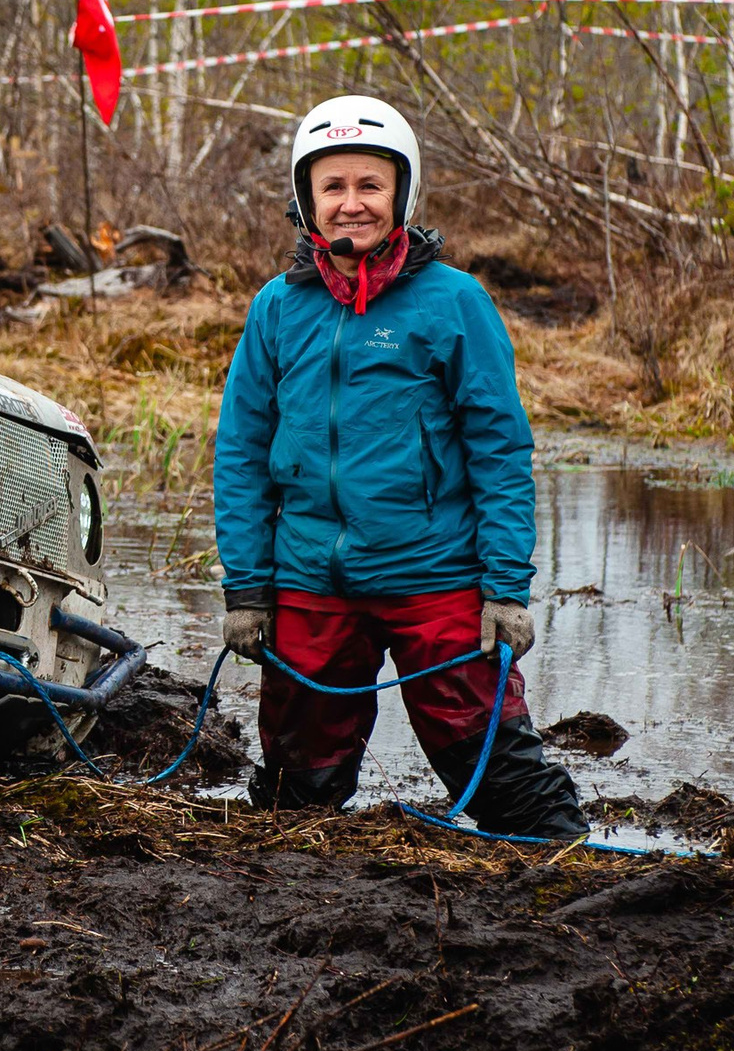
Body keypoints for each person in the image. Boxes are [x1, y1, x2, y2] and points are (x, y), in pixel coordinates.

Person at [211, 94, 588, 837]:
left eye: (370, 186)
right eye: (334, 187)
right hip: (311, 581)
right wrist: (248, 589)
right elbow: (241, 454)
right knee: (295, 795)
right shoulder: (277, 310)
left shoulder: (455, 303)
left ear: (403, 194)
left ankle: (567, 863)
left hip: (436, 578)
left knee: (499, 775)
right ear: (306, 200)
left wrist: (507, 587)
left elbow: (500, 450)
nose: (352, 204)